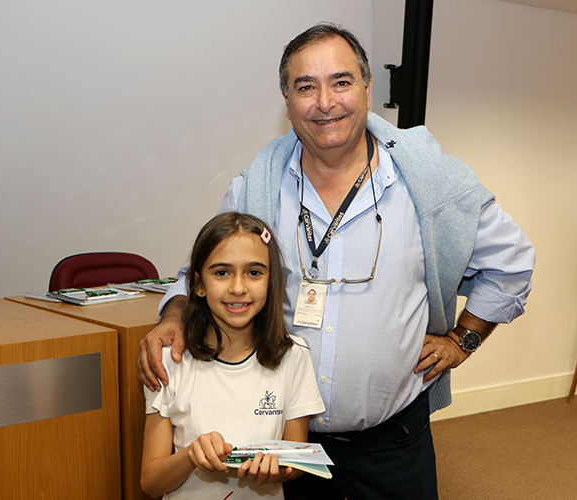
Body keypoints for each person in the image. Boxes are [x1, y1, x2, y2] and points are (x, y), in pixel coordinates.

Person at [138, 23, 535, 499]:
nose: (325, 102)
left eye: (341, 82)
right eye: (306, 87)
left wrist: (462, 339)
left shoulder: (431, 185)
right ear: (287, 100)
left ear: (367, 89)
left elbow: (512, 263)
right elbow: (200, 273)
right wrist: (175, 315)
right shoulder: (256, 190)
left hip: (393, 442)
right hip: (281, 446)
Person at [140, 212, 325, 499]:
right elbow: (151, 482)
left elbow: (296, 462)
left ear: (271, 281)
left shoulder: (294, 356)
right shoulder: (169, 361)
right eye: (222, 273)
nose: (238, 288)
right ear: (198, 284)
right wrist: (191, 456)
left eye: (254, 272)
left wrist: (277, 469)